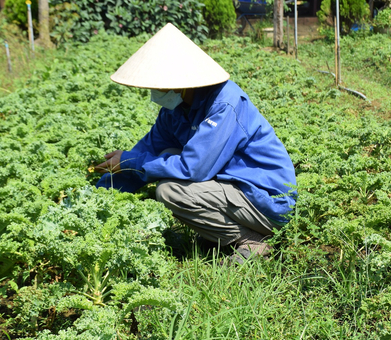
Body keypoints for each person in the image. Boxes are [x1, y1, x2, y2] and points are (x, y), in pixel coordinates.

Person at [95, 23, 296, 261]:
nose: (154, 92)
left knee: (170, 191)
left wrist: (133, 161)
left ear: (179, 83)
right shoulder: (175, 108)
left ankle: (253, 240)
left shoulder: (224, 104)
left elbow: (194, 168)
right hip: (230, 187)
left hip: (264, 199)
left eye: (158, 85)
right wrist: (99, 197)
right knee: (167, 152)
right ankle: (222, 233)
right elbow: (149, 149)